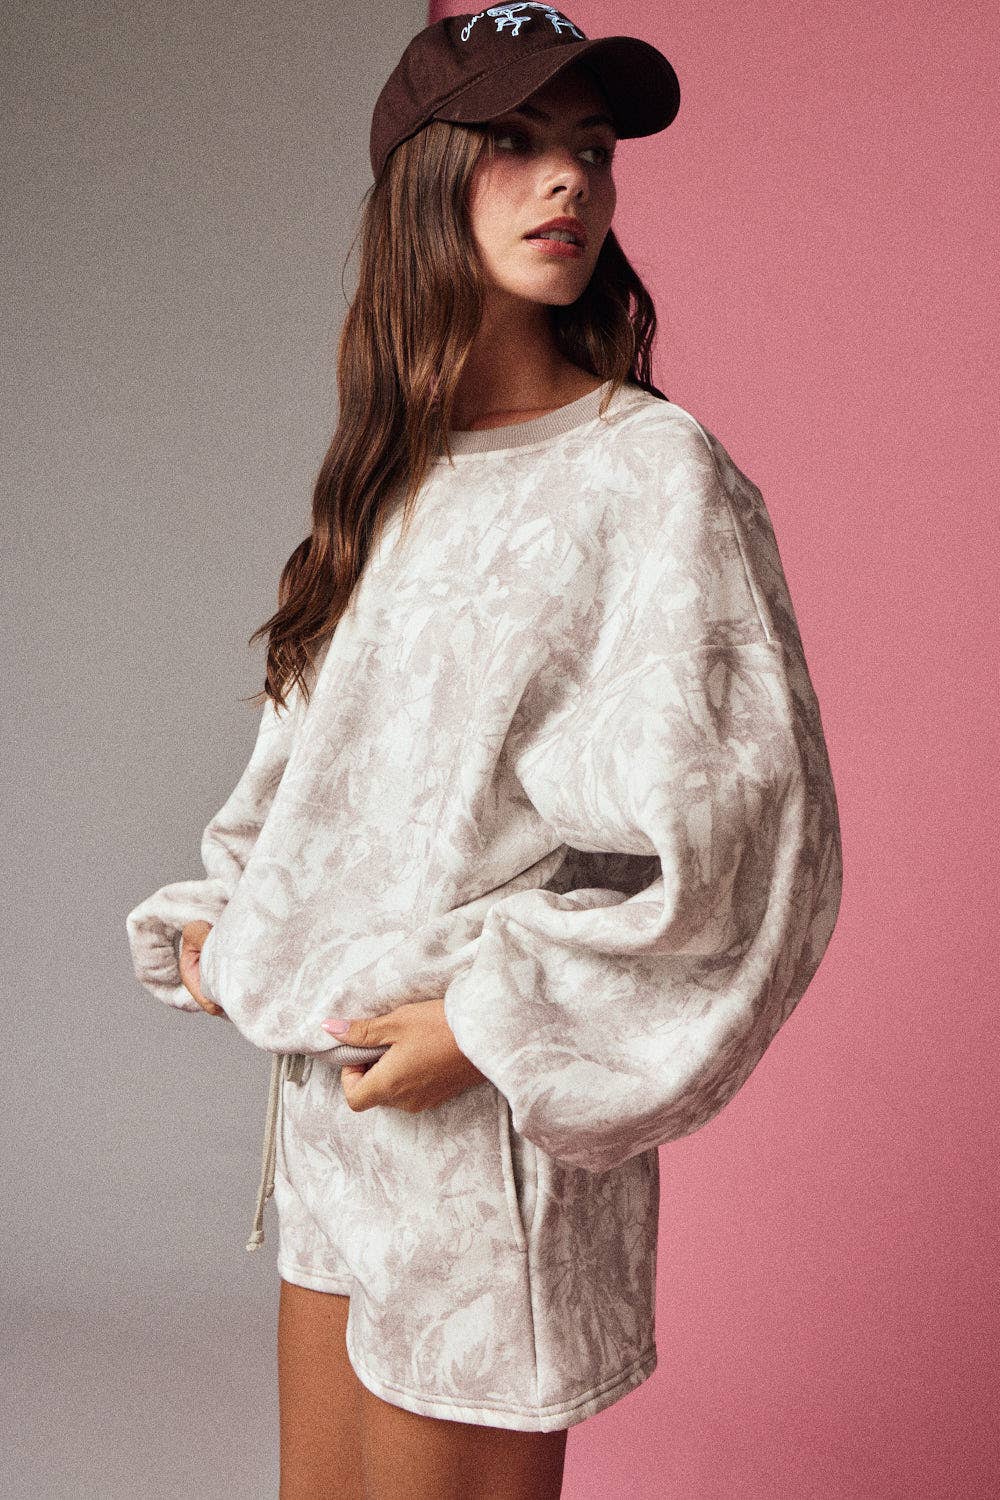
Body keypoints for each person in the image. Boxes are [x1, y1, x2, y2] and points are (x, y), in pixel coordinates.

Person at [125, 8, 843, 1498]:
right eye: (516, 143)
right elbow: (307, 785)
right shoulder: (389, 484)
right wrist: (229, 923)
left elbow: (749, 856)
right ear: (421, 183)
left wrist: (489, 1028)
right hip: (334, 1123)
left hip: (482, 1129)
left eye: (592, 149)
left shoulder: (650, 478)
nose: (569, 180)